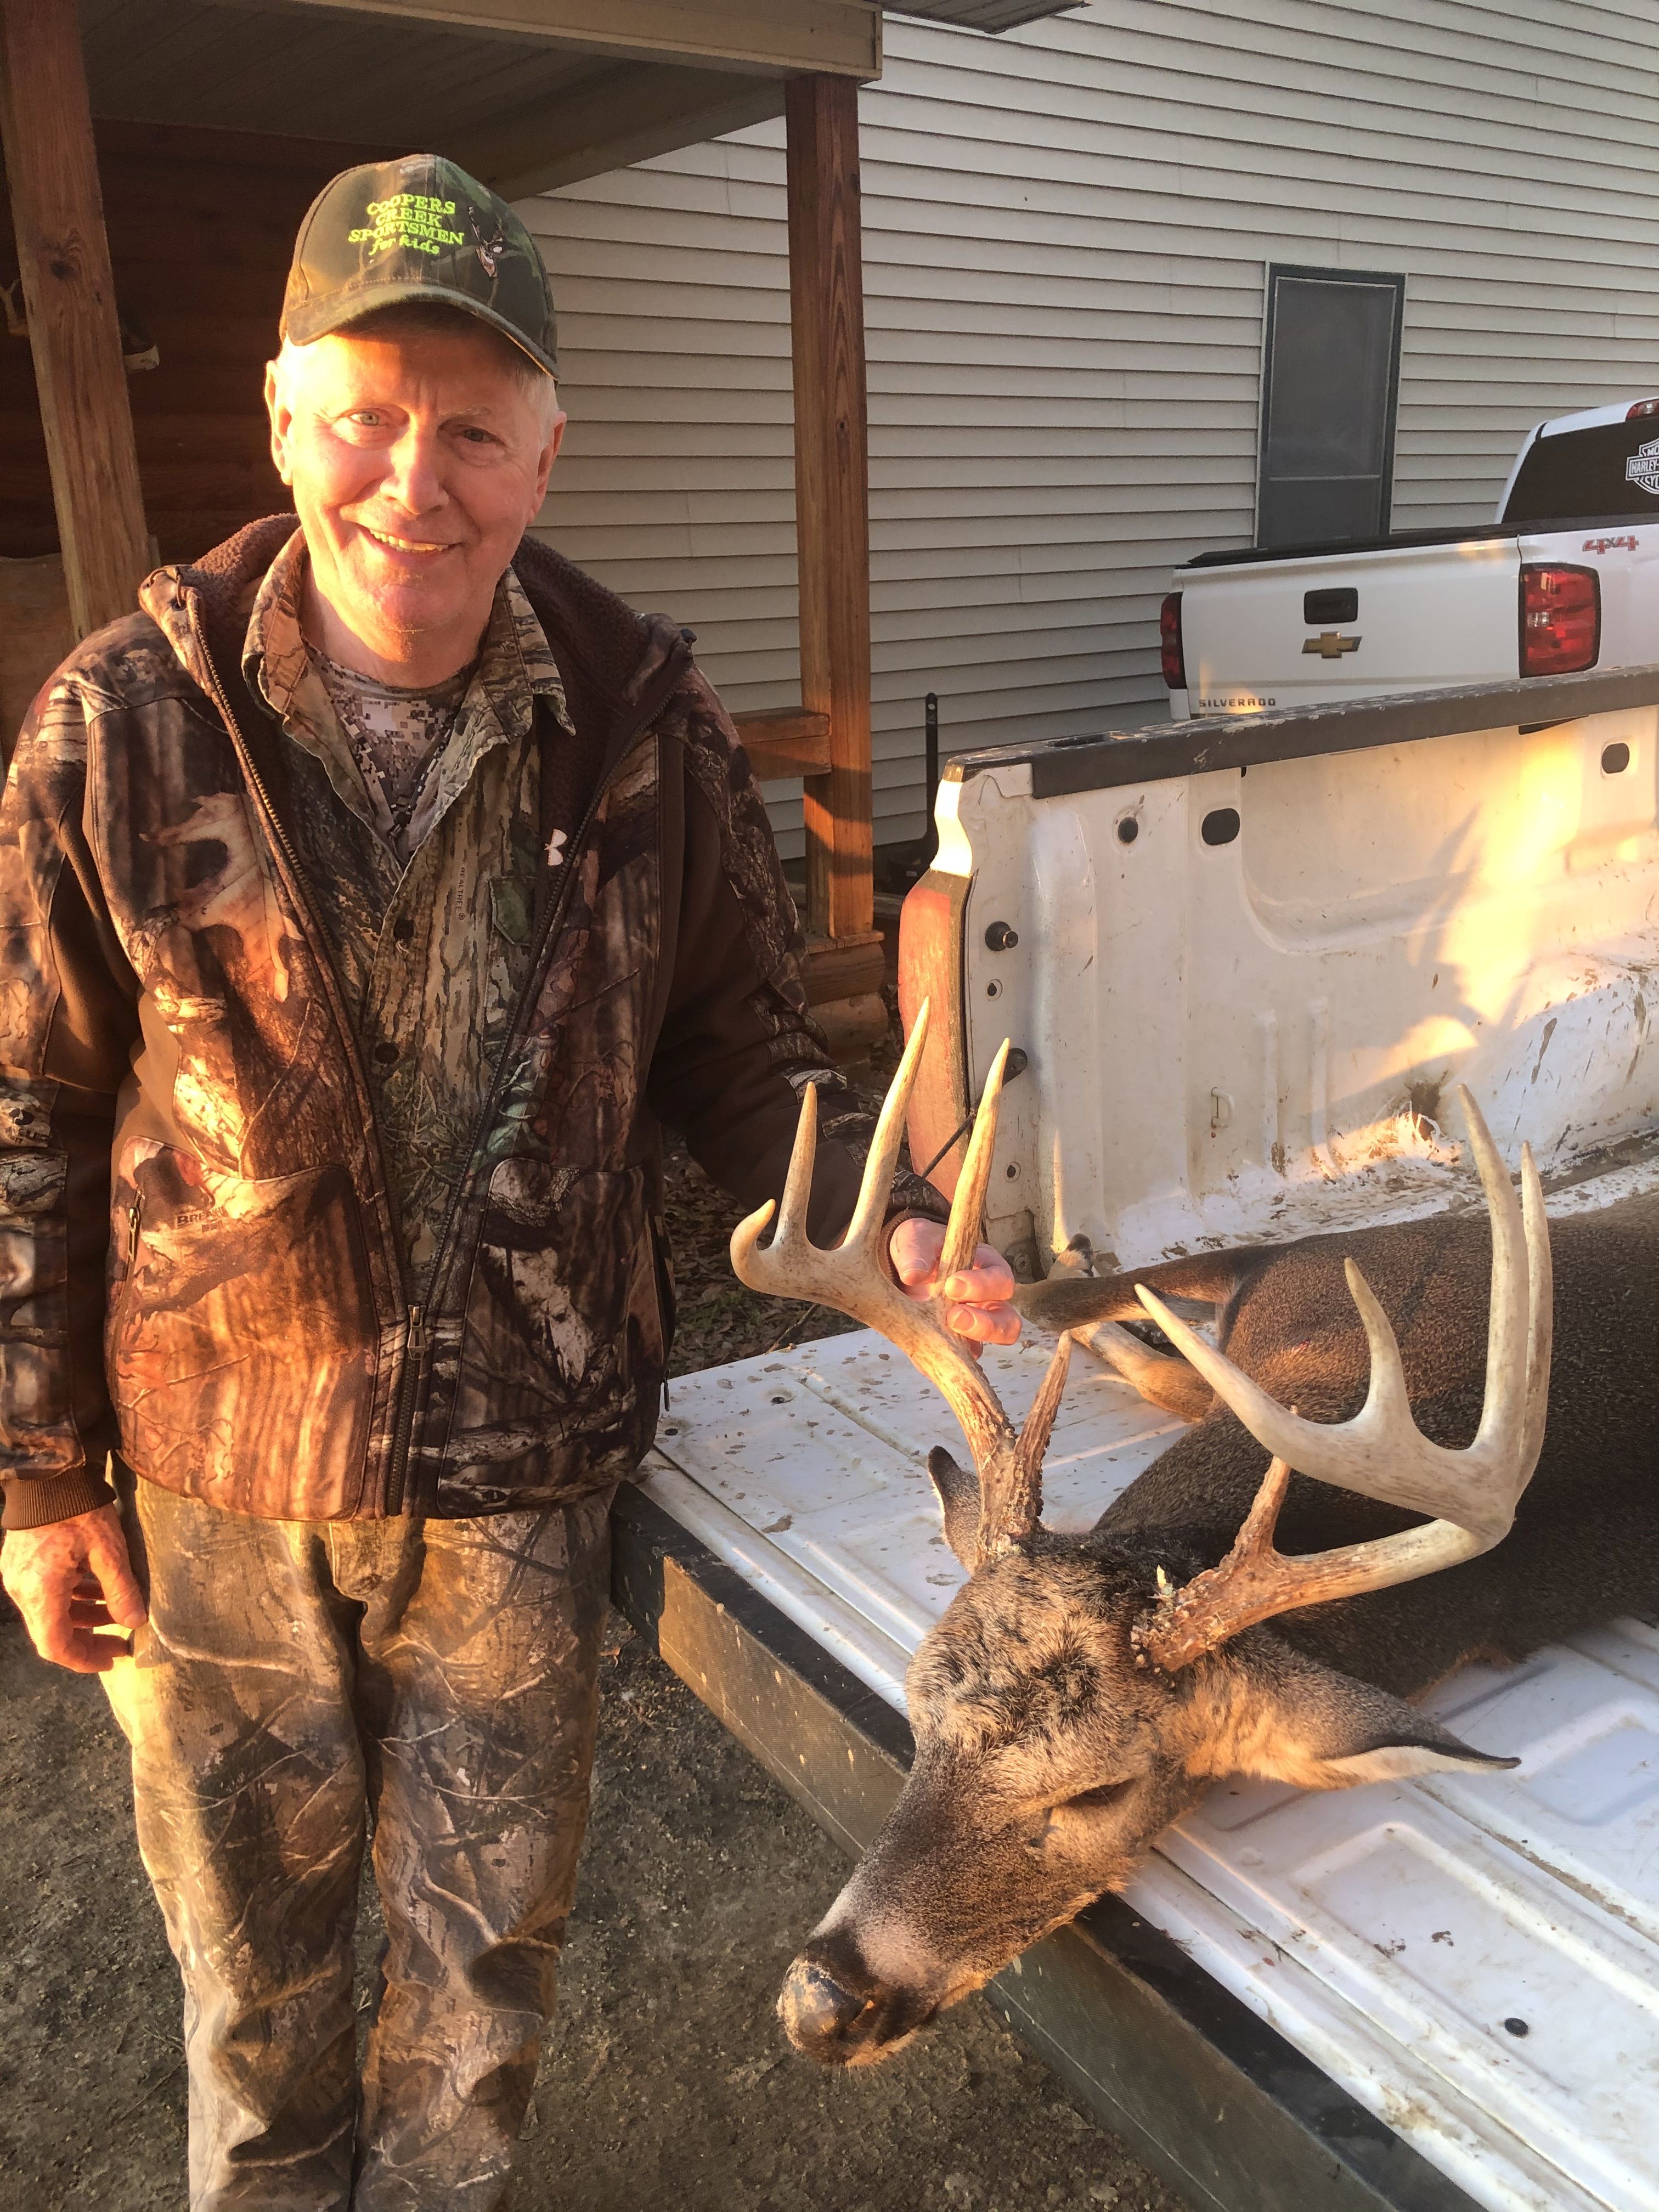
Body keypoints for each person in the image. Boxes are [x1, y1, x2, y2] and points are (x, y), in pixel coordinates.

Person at [0, 155, 1017, 2211]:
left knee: (475, 2007)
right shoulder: (119, 725)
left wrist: (892, 1217)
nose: (416, 481)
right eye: (366, 416)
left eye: (473, 428)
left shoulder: (640, 725)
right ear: (280, 420)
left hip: (520, 1503)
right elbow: (24, 1109)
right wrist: (35, 1474)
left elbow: (744, 1052)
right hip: (214, 1486)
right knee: (255, 2006)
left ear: (546, 452)